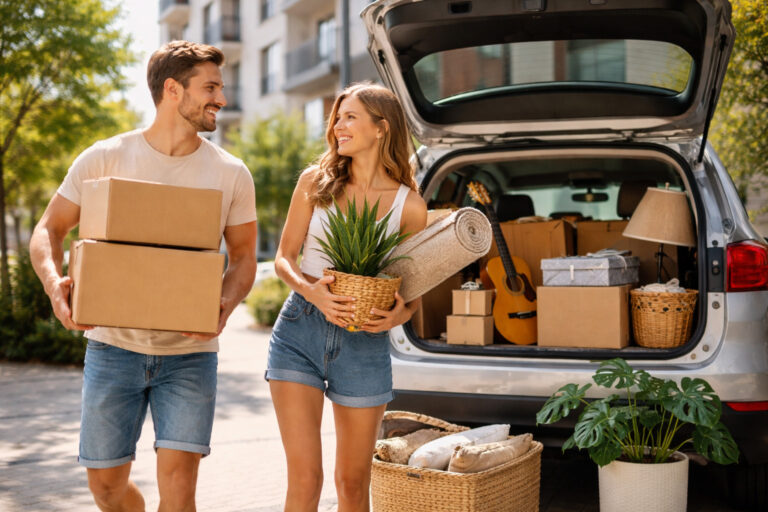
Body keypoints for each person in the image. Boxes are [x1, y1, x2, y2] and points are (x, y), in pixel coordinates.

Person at [29, 41, 257, 511]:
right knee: (106, 488)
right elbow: (48, 230)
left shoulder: (230, 173)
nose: (222, 98)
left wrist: (223, 305)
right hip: (113, 349)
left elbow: (245, 257)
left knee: (178, 494)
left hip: (190, 354)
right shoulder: (106, 157)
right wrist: (56, 287)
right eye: (210, 87)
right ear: (173, 90)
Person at [266, 82, 428, 511]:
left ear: (381, 128)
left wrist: (400, 315)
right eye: (337, 117)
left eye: (350, 116)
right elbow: (283, 257)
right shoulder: (316, 182)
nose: (338, 125)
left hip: (364, 341)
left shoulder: (408, 206)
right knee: (306, 479)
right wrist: (311, 292)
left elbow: (414, 285)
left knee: (352, 484)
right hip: (299, 331)